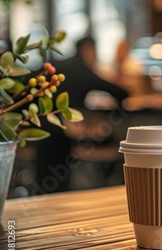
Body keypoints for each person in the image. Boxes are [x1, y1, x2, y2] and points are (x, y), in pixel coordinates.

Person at [34, 37, 129, 194]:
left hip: (40, 130)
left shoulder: (58, 66)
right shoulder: (81, 69)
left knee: (48, 183)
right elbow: (119, 92)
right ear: (88, 49)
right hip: (67, 132)